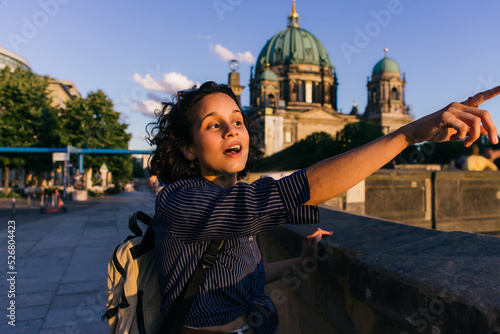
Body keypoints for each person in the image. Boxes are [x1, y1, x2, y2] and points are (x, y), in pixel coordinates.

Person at [147, 82, 500, 333]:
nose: (231, 130)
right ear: (187, 149)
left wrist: (300, 262)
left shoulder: (229, 198)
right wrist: (408, 134)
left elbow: (239, 277)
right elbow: (298, 190)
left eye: (237, 120)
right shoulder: (182, 200)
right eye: (213, 125)